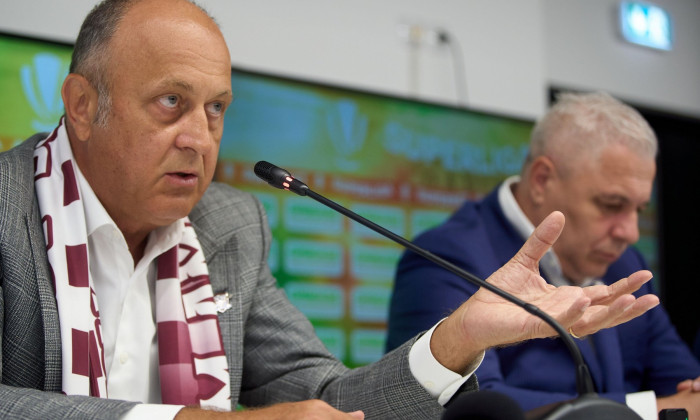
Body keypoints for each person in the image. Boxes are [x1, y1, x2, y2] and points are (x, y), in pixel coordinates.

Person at [0, 1, 659, 419]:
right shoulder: (8, 208)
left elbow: (327, 399)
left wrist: (458, 338)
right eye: (171, 103)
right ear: (82, 105)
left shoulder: (229, 227)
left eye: (216, 108)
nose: (199, 138)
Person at [386, 91, 700, 419]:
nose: (631, 233)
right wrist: (651, 410)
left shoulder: (626, 263)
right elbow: (467, 407)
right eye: (612, 205)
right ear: (541, 180)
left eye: (638, 209)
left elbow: (683, 383)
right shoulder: (444, 256)